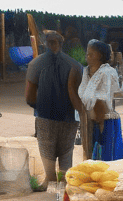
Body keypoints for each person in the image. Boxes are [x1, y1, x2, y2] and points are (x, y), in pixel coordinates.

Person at [25, 31, 82, 191]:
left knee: (47, 150)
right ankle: (64, 184)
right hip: (69, 116)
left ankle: (49, 183)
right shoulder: (75, 65)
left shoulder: (36, 64)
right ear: (61, 44)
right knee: (66, 151)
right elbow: (79, 93)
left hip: (45, 117)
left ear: (44, 44)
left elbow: (29, 97)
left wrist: (40, 106)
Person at [77, 39, 123, 161]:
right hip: (88, 120)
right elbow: (83, 94)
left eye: (92, 53)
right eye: (87, 53)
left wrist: (100, 123)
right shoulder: (86, 71)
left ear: (101, 56)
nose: (88, 56)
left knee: (106, 160)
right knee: (91, 158)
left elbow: (103, 99)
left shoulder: (107, 72)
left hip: (105, 121)